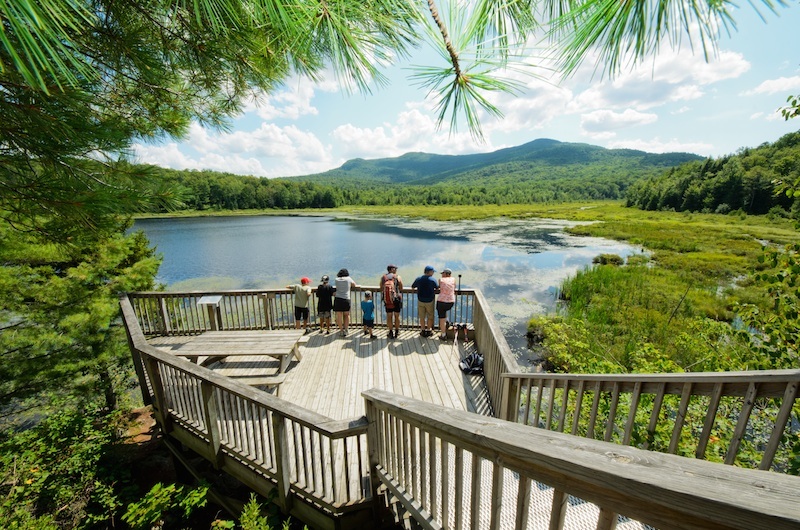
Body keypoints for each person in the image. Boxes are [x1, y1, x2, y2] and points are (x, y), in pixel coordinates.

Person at [411, 265, 438, 337]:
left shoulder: (419, 279)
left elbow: (413, 286)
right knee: (430, 316)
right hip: (429, 301)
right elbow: (437, 287)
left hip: (420, 300)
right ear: (429, 272)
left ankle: (422, 330)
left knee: (422, 316)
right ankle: (429, 330)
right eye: (432, 271)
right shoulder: (432, 280)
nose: (433, 273)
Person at [380, 264, 404, 339]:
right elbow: (401, 287)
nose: (396, 270)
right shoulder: (398, 277)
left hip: (387, 300)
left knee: (389, 316)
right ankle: (397, 331)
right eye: (395, 269)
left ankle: (390, 331)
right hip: (396, 299)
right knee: (397, 316)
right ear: (392, 269)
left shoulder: (383, 277)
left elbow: (381, 288)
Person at [333, 268, 358, 336]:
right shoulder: (348, 278)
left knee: (339, 316)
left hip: (338, 299)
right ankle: (346, 330)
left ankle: (341, 330)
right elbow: (354, 285)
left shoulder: (336, 279)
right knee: (346, 315)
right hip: (346, 299)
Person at [437, 268, 456, 340]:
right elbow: (454, 288)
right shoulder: (453, 279)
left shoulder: (440, 280)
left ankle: (443, 335)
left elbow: (439, 287)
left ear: (447, 274)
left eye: (443, 273)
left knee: (441, 318)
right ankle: (447, 321)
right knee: (445, 311)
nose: (442, 275)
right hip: (451, 302)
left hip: (441, 301)